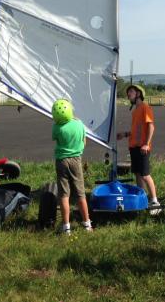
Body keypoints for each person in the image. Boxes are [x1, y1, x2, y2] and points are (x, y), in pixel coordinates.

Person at [116, 84, 160, 212]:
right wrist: (125, 134)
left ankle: (155, 201)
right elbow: (136, 130)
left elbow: (151, 126)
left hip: (142, 147)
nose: (128, 94)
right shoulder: (135, 110)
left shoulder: (145, 108)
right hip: (134, 147)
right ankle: (142, 198)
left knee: (145, 175)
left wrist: (146, 144)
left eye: (131, 92)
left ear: (138, 94)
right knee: (137, 174)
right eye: (128, 92)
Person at [51, 99, 92, 234]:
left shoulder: (56, 127)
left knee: (64, 194)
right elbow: (84, 141)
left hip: (61, 161)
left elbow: (56, 140)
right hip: (76, 160)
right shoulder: (79, 124)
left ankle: (66, 227)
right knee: (80, 193)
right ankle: (87, 224)